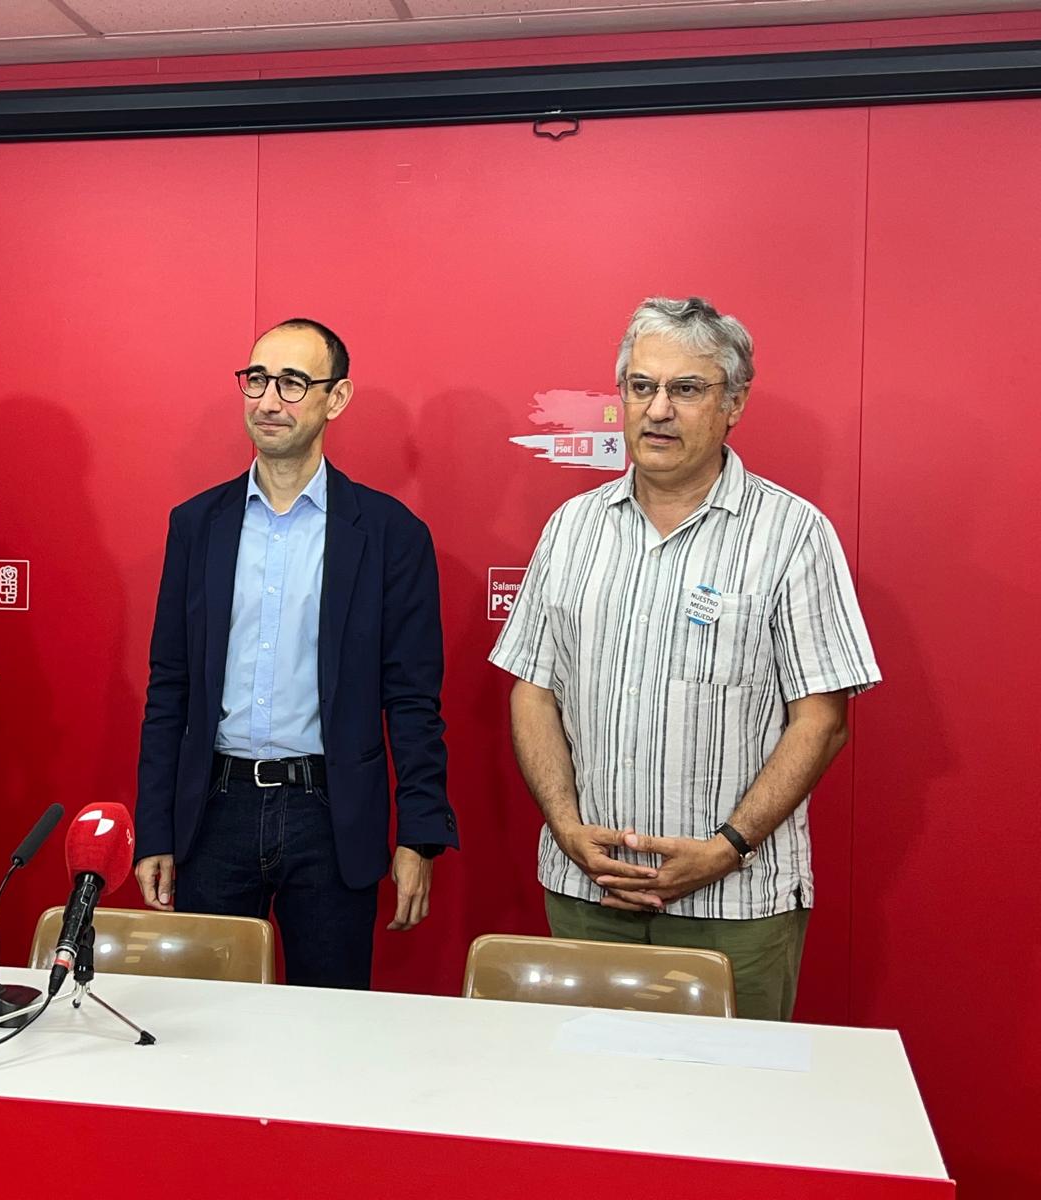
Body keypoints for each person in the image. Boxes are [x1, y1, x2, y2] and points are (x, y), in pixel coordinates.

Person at [489, 295, 880, 1020]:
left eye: (686, 389)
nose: (658, 409)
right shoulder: (572, 530)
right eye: (641, 387)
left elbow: (822, 719)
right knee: (586, 1109)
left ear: (734, 403)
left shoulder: (793, 535)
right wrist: (568, 828)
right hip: (588, 892)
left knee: (728, 1117)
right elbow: (533, 689)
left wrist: (727, 847)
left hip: (735, 904)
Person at [133, 317, 458, 989]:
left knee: (330, 1033)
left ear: (335, 399)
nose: (268, 400)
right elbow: (170, 688)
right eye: (256, 380)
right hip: (214, 814)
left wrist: (419, 834)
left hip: (331, 817)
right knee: (205, 1031)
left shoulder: (390, 535)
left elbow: (413, 701)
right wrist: (155, 830)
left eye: (291, 382)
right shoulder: (197, 526)